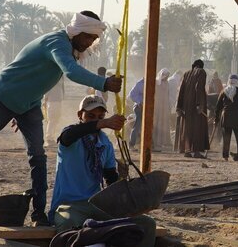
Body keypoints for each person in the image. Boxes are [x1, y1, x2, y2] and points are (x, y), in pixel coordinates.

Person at [0, 11, 123, 228]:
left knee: (38, 157)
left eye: (93, 39)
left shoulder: (69, 48)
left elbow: (39, 76)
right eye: (88, 37)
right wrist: (104, 83)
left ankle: (38, 214)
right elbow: (71, 72)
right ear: (77, 31)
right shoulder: (57, 43)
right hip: (2, 96)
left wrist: (21, 105)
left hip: (29, 105)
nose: (90, 42)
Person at [49, 95, 157, 247]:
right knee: (70, 227)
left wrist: (122, 177)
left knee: (146, 224)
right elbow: (67, 137)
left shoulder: (105, 143)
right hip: (70, 205)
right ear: (80, 115)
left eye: (100, 116)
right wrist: (103, 123)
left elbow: (110, 180)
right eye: (91, 116)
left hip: (97, 205)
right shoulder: (71, 136)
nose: (96, 120)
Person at [175, 60, 209, 158]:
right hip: (196, 106)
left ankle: (187, 151)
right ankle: (197, 151)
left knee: (187, 128)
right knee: (198, 128)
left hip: (186, 106)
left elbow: (181, 90)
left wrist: (179, 106)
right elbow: (199, 87)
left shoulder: (186, 73)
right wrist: (199, 104)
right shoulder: (201, 72)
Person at [214, 74, 238, 161]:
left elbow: (218, 107)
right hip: (236, 117)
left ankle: (225, 156)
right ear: (237, 82)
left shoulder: (224, 91)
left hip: (225, 117)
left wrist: (216, 119)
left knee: (226, 138)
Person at [152, 68, 171, 151]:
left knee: (164, 123)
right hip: (158, 106)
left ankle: (163, 141)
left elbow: (167, 94)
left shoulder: (167, 83)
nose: (166, 77)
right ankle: (156, 142)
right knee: (157, 123)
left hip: (165, 105)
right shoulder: (157, 83)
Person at [44, 79, 66, 147]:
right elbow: (47, 87)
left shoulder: (60, 76)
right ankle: (49, 139)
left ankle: (51, 138)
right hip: (52, 101)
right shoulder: (52, 76)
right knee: (52, 120)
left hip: (58, 100)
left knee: (56, 119)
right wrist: (45, 99)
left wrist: (63, 97)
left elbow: (62, 87)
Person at [127, 78, 145, 149]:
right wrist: (139, 102)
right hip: (139, 107)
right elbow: (132, 94)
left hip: (148, 107)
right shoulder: (140, 83)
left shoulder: (153, 82)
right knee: (137, 125)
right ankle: (131, 144)